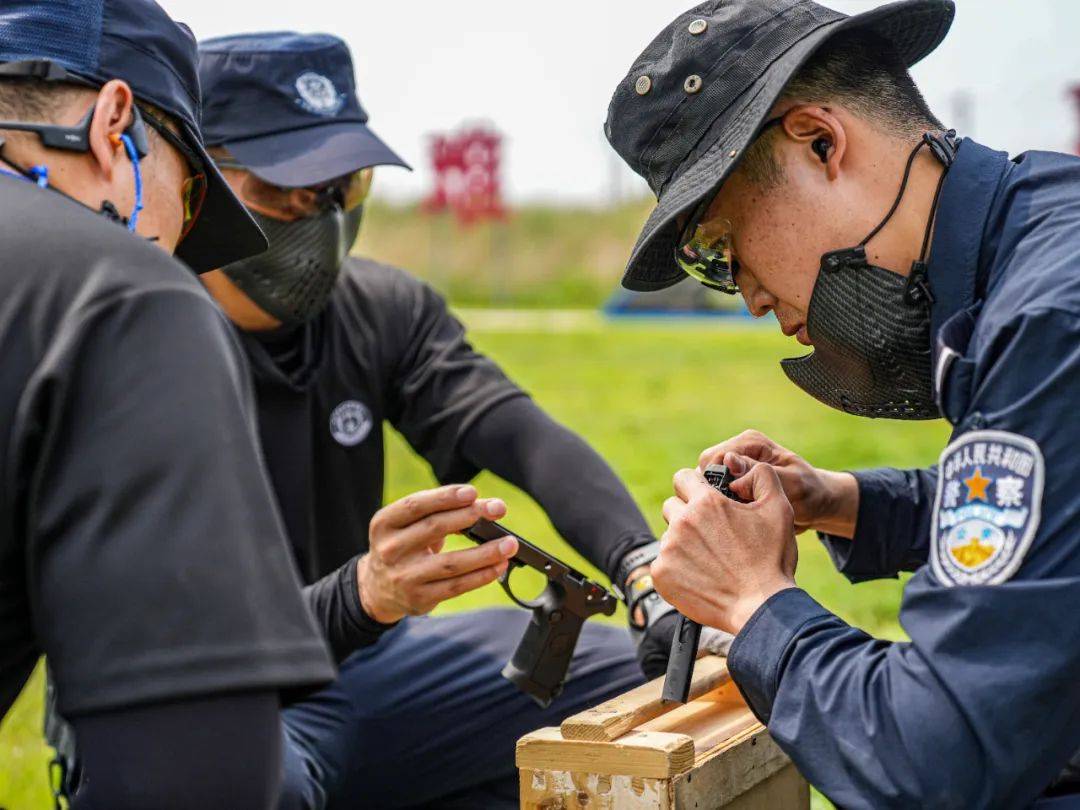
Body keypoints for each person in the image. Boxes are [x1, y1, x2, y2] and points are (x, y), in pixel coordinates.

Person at [193, 31, 717, 809]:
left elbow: (517, 434)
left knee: (679, 693)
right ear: (201, 182)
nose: (321, 219)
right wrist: (364, 593)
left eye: (344, 191)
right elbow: (163, 645)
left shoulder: (378, 310)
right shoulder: (139, 335)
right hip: (198, 694)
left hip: (360, 665)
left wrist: (644, 576)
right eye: (287, 193)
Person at [605, 0, 1080, 806]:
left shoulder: (1048, 322)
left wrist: (753, 603)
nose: (748, 298)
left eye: (720, 248)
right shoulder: (1040, 229)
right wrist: (842, 502)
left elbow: (935, 757)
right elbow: (1052, 519)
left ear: (822, 143)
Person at [0, 2, 408, 807]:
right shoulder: (117, 294)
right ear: (116, 126)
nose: (179, 241)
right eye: (188, 199)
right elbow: (197, 772)